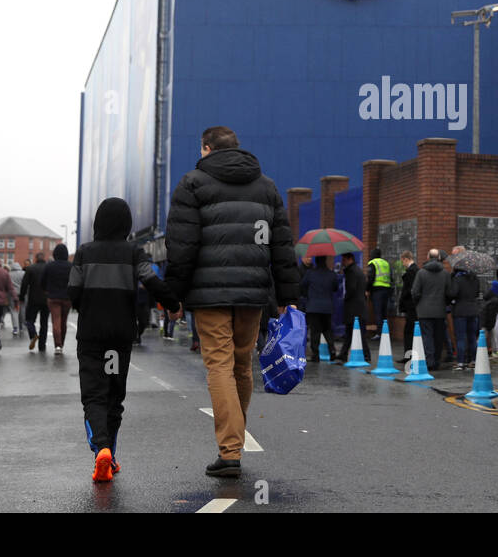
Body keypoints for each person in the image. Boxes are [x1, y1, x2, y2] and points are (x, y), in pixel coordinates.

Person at [164, 126, 300, 479]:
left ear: (207, 148)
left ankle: (229, 451)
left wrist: (173, 295)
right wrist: (287, 296)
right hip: (253, 293)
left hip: (209, 295)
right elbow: (281, 247)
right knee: (241, 365)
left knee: (219, 367)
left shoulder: (192, 183)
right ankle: (233, 444)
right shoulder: (267, 186)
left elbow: (182, 247)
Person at [70, 197, 178, 483]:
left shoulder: (84, 253)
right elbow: (152, 280)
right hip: (119, 338)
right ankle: (112, 455)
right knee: (113, 397)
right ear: (126, 224)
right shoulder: (134, 252)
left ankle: (100, 450)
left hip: (92, 336)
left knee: (93, 396)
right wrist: (172, 303)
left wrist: (87, 305)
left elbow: (73, 292)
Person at [410, 249, 451, 370]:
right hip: (440, 311)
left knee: (427, 336)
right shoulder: (445, 273)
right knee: (438, 337)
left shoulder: (421, 273)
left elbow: (415, 292)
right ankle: (437, 360)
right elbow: (449, 292)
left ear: (428, 257)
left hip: (424, 310)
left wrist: (418, 304)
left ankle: (429, 361)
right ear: (439, 258)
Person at [300, 256, 340, 362]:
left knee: (315, 331)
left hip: (313, 307)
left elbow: (302, 285)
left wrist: (308, 295)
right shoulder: (331, 274)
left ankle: (315, 354)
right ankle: (332, 351)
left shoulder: (310, 273)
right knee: (328, 330)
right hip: (327, 307)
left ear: (316, 261)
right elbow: (336, 287)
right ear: (325, 261)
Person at [335, 252, 370, 364]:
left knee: (355, 332)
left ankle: (365, 355)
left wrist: (345, 298)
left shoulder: (351, 272)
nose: (342, 262)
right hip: (359, 306)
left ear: (350, 259)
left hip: (354, 307)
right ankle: (344, 354)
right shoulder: (358, 270)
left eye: (344, 260)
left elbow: (351, 288)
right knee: (351, 332)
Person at [447, 255, 480, 370]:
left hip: (460, 311)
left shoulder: (457, 279)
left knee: (460, 338)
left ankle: (461, 362)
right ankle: (473, 360)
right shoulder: (475, 278)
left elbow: (452, 293)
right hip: (473, 310)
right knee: (472, 337)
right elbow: (477, 293)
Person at [41, 244, 73, 354]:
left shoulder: (49, 266)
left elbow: (43, 281)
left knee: (56, 321)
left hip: (53, 297)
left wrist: (46, 290)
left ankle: (57, 346)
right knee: (64, 322)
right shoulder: (71, 266)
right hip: (67, 298)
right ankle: (61, 344)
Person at [21, 252, 50, 351]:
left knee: (29, 320)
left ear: (35, 258)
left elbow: (24, 284)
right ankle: (42, 346)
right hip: (46, 299)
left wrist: (21, 297)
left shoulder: (30, 268)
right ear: (44, 258)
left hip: (33, 299)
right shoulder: (48, 268)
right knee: (44, 323)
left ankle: (33, 334)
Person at [366, 247, 392, 337]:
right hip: (387, 289)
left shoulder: (372, 263)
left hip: (377, 290)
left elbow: (370, 278)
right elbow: (391, 278)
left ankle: (379, 333)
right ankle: (385, 332)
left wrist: (367, 289)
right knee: (384, 313)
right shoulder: (386, 263)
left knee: (378, 312)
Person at [399, 250, 418, 360]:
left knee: (409, 331)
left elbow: (408, 290)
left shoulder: (411, 271)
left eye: (403, 261)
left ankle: (409, 355)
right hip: (413, 306)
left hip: (410, 306)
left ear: (406, 259)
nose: (403, 264)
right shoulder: (415, 270)